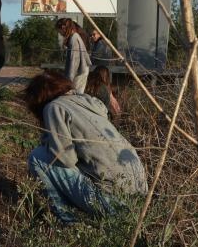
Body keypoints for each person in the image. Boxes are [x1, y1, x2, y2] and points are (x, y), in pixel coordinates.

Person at [22, 70, 146, 223]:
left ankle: (68, 220)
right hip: (140, 204)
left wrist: (48, 140)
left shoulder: (54, 107)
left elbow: (65, 159)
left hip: (113, 204)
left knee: (38, 156)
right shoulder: (88, 102)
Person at [57, 17, 91, 93]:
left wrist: (69, 80)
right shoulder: (74, 37)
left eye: (59, 31)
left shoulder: (74, 39)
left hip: (79, 72)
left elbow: (74, 61)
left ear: (63, 28)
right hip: (80, 71)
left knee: (75, 95)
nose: (60, 33)